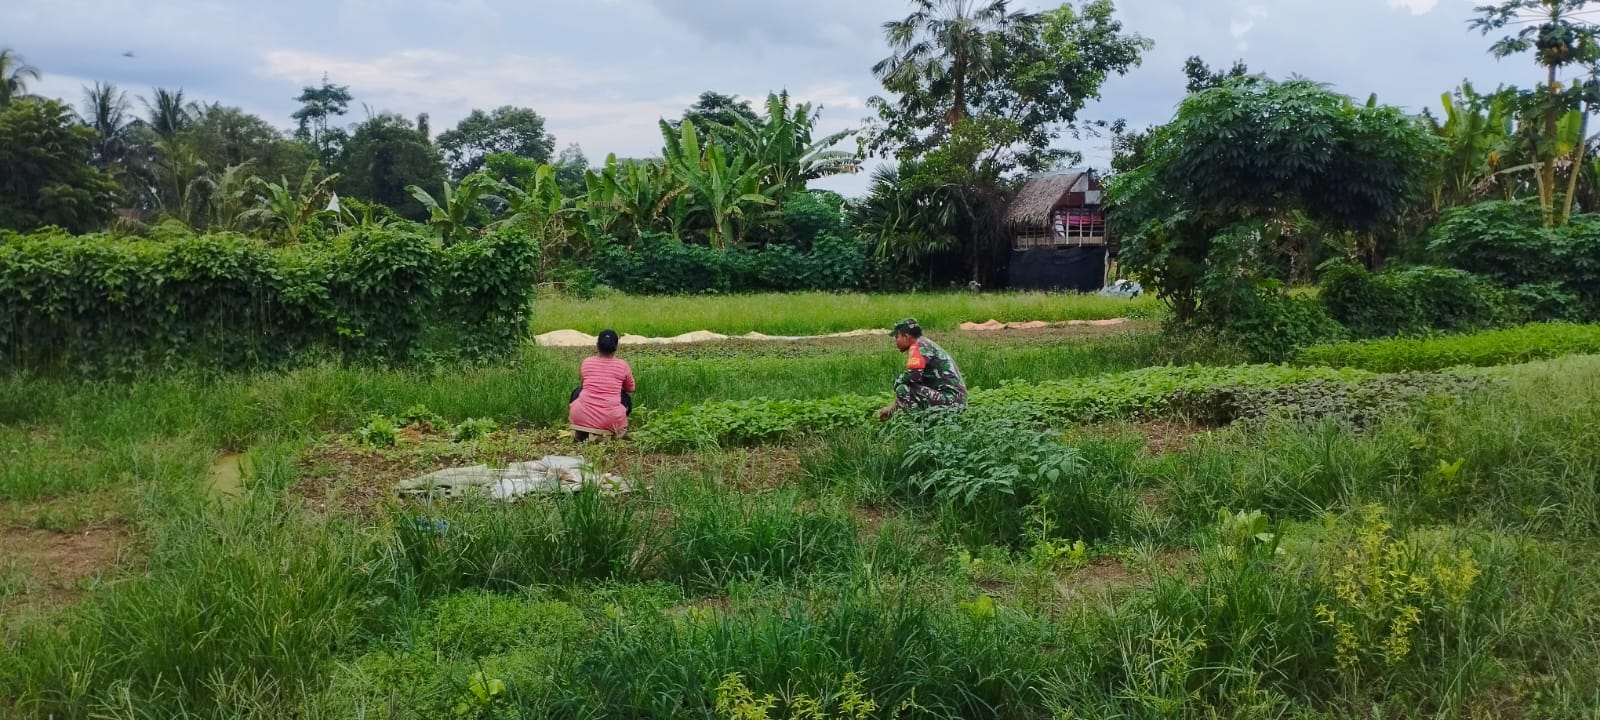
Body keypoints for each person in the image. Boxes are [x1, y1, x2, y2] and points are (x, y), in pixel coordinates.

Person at [878, 317, 967, 421]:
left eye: (897, 337)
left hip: (951, 400)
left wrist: (897, 382)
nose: (895, 341)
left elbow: (913, 376)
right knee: (907, 387)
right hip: (956, 399)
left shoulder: (919, 346)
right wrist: (891, 409)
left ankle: (918, 425)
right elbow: (916, 384)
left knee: (902, 388)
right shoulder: (924, 344)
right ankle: (928, 421)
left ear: (906, 336)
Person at [569, 329, 635, 439]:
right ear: (616, 346)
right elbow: (631, 388)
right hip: (610, 420)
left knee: (578, 391)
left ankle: (583, 423)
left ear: (597, 345)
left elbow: (584, 383)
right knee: (625, 397)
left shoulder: (587, 362)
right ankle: (615, 426)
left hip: (579, 416)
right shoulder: (622, 365)